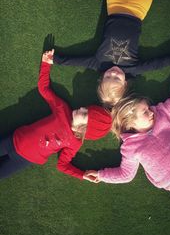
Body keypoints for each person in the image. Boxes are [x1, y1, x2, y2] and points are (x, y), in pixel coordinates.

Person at [84, 45, 170, 235]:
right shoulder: (130, 148)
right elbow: (125, 174)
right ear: (130, 123)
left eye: (149, 108)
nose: (151, 112)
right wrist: (101, 175)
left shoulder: (162, 114)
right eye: (145, 112)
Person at [53, 0, 170, 108]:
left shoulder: (99, 63)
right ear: (125, 83)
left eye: (108, 77)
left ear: (101, 77)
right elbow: (157, 63)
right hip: (139, 8)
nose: (113, 73)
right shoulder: (132, 69)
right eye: (117, 78)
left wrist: (55, 59)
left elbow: (75, 61)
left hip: (115, 4)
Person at [0, 49, 112, 180]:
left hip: (24, 160)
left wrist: (82, 174)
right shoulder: (62, 109)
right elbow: (44, 89)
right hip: (14, 140)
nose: (81, 108)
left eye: (84, 113)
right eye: (85, 108)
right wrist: (46, 64)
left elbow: (62, 165)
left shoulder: (75, 143)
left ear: (85, 128)